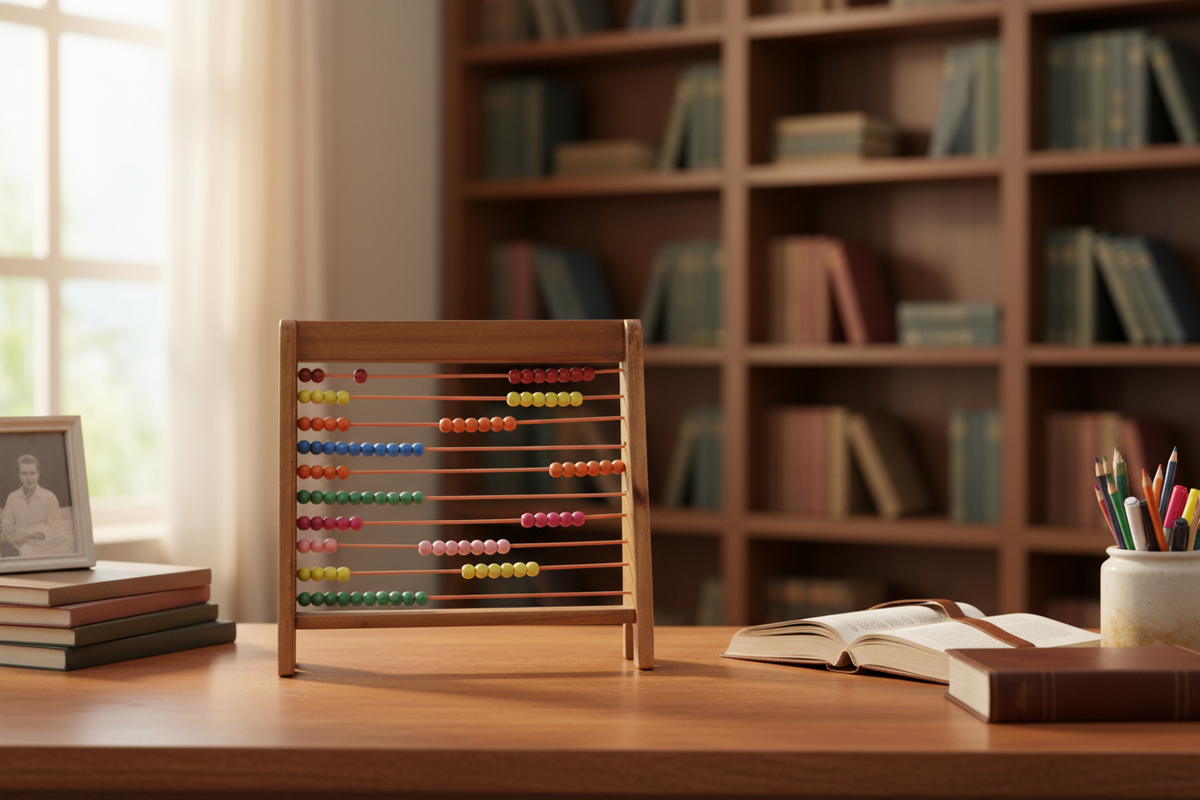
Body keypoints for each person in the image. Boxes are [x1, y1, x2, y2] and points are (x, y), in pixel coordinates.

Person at [0, 454, 62, 558]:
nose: (29, 478)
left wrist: (22, 533)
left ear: (39, 474)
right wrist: (34, 531)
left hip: (44, 548)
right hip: (18, 547)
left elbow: (54, 527)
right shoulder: (12, 497)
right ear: (19, 475)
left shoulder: (49, 497)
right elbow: (6, 527)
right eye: (24, 473)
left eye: (32, 473)